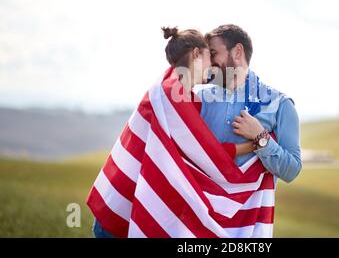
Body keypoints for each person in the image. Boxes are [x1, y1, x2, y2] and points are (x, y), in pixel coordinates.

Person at [92, 27, 256, 238]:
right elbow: (207, 153)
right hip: (121, 211)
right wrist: (258, 143)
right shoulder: (170, 94)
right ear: (196, 54)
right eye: (210, 55)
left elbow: (196, 151)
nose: (213, 65)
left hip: (133, 207)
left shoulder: (184, 97)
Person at [198, 24, 302, 183]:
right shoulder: (200, 99)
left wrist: (260, 137)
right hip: (204, 206)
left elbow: (291, 172)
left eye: (213, 53)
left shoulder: (281, 105)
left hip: (251, 208)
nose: (208, 62)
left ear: (237, 52)